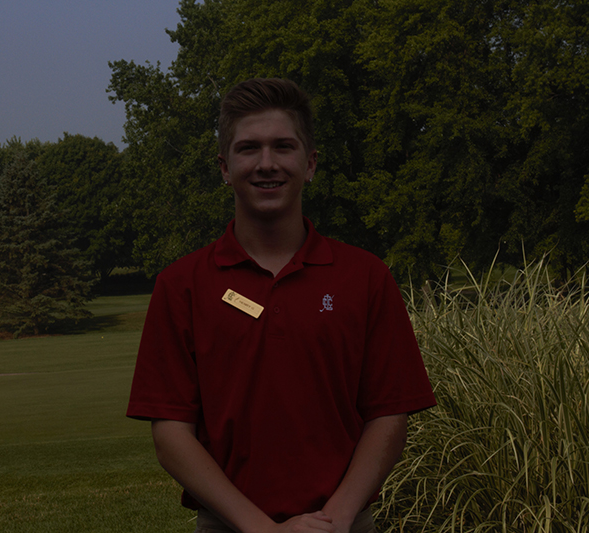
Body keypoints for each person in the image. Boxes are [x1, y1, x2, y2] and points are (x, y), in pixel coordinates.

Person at [127, 78, 436, 533]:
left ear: (309, 164)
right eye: (249, 148)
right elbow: (171, 435)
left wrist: (335, 519)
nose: (267, 164)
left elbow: (388, 415)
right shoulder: (181, 286)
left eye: (283, 147)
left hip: (343, 525)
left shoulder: (365, 277)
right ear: (224, 167)